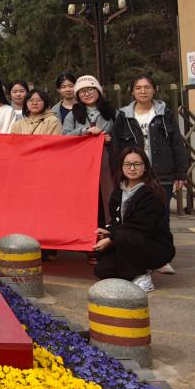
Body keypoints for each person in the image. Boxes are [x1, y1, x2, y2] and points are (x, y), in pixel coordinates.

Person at [112, 74, 188, 274]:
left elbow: (177, 143)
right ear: (132, 91)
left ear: (154, 90)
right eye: (138, 88)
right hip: (133, 175)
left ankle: (161, 258)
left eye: (147, 87)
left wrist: (180, 173)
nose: (143, 91)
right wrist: (118, 173)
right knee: (133, 216)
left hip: (161, 174)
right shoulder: (123, 116)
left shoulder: (165, 113)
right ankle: (136, 255)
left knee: (161, 217)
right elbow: (117, 147)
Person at [94, 147, 174, 293]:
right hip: (128, 239)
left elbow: (140, 226)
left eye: (137, 164)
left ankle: (143, 275)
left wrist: (111, 238)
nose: (132, 168)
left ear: (145, 167)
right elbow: (117, 222)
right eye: (127, 164)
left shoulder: (151, 192)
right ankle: (134, 271)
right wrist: (108, 230)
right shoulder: (118, 190)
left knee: (122, 236)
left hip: (153, 244)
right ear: (121, 167)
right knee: (102, 270)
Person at [63, 74, 116, 255]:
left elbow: (120, 134)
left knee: (106, 198)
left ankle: (108, 237)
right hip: (82, 164)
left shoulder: (111, 112)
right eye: (82, 91)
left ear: (98, 91)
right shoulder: (73, 114)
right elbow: (65, 135)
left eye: (90, 89)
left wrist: (110, 139)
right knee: (86, 200)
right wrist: (85, 131)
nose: (86, 94)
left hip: (106, 162)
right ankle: (88, 243)